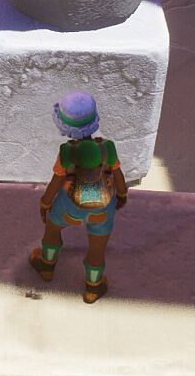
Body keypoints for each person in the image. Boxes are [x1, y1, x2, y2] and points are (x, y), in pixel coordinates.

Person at [30, 92, 128, 303]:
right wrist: (122, 194)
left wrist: (45, 203)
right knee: (97, 247)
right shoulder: (107, 148)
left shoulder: (67, 152)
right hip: (101, 209)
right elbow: (118, 175)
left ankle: (47, 266)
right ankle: (93, 287)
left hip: (69, 208)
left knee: (52, 229)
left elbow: (56, 182)